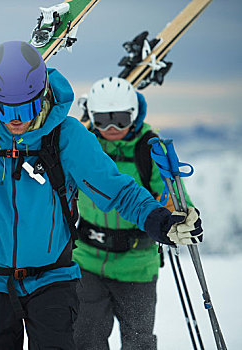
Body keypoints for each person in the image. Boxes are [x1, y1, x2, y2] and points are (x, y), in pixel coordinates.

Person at [0, 41, 203, 349]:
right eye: (4, 111)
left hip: (52, 283)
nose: (16, 121)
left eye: (27, 108)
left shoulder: (66, 137)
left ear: (43, 92)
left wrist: (159, 220)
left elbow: (117, 191)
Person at [73, 76, 195, 350]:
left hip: (137, 264)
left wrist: (180, 216)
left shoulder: (151, 149)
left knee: (138, 342)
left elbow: (175, 197)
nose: (113, 127)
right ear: (91, 116)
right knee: (84, 339)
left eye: (121, 118)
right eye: (103, 119)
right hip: (87, 260)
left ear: (135, 114)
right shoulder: (82, 146)